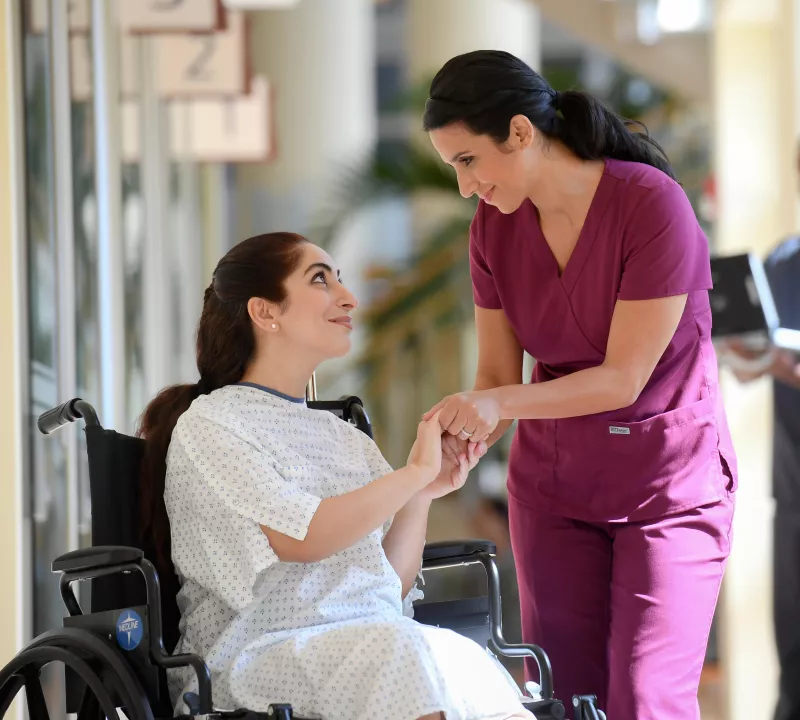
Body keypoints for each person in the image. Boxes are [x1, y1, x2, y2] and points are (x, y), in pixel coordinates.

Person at [420, 50, 736, 720]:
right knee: (565, 698)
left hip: (668, 489)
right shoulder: (493, 230)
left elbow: (623, 379)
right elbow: (497, 378)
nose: (465, 187)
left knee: (646, 698)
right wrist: (458, 445)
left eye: (468, 161)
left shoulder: (652, 206)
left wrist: (497, 403)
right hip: (555, 489)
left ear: (521, 132)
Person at [136, 232, 534, 720]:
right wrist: (411, 474)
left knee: (460, 660)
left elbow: (388, 582)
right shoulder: (213, 424)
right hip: (261, 653)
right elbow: (304, 537)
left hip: (368, 640)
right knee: (405, 660)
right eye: (320, 279)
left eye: (340, 279)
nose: (348, 297)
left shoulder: (345, 436)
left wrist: (423, 493)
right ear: (265, 312)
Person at [719, 235, 800, 720]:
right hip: (792, 493)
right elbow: (748, 369)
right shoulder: (784, 260)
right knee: (793, 657)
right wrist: (743, 351)